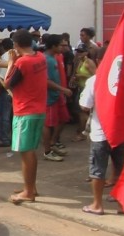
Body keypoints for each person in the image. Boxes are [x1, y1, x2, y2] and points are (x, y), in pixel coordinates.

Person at [4, 29, 47, 204]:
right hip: (38, 110)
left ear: (15, 45)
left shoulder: (22, 63)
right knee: (31, 151)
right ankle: (31, 187)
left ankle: (28, 192)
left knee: (26, 152)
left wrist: (10, 63)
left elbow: (7, 83)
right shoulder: (40, 57)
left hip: (25, 112)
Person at [79, 75, 124, 215]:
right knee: (121, 169)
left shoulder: (94, 80)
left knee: (97, 170)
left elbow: (85, 105)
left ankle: (97, 204)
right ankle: (122, 204)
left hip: (100, 132)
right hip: (121, 132)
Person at [43, 34, 72, 162]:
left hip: (56, 95)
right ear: (53, 46)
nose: (62, 47)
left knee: (63, 118)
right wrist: (62, 89)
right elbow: (46, 81)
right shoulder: (47, 60)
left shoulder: (54, 58)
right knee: (48, 125)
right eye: (60, 45)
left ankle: (53, 143)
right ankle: (47, 151)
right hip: (49, 97)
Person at [70, 43, 96, 142]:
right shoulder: (80, 61)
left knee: (82, 112)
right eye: (78, 51)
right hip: (81, 88)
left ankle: (83, 132)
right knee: (80, 112)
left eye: (81, 51)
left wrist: (81, 76)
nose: (79, 53)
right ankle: (84, 131)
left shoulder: (89, 62)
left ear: (86, 52)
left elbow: (95, 76)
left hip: (86, 89)